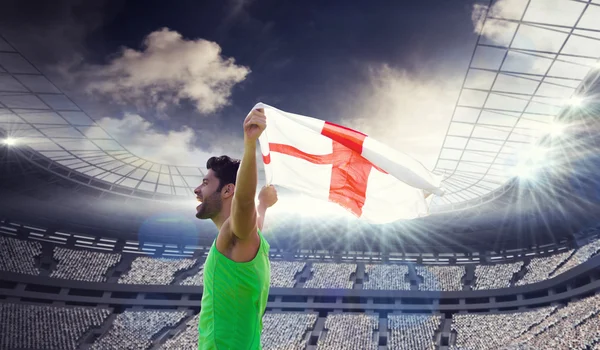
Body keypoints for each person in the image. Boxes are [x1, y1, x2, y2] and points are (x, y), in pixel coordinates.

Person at [195, 108, 278, 349]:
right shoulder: (248, 239)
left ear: (228, 190)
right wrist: (263, 204)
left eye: (206, 182)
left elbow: (243, 202)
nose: (197, 190)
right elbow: (255, 221)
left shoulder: (233, 233)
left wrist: (250, 144)